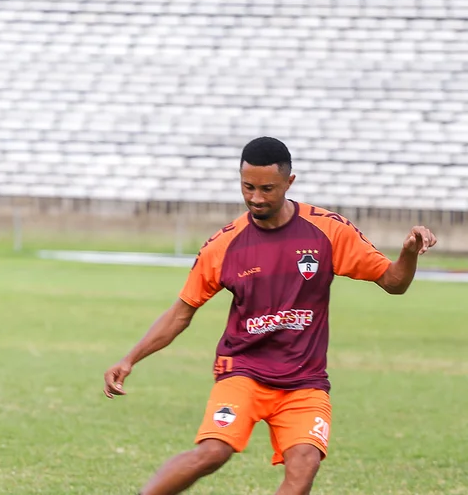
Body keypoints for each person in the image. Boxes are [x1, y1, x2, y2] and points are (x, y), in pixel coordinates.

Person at [104, 136, 436, 495]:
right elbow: (181, 313)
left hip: (304, 380)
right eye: (248, 187)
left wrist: (409, 254)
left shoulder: (327, 230)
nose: (256, 198)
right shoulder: (225, 245)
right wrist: (130, 358)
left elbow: (394, 282)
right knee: (214, 451)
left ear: (289, 183)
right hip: (243, 370)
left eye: (267, 189)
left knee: (305, 464)